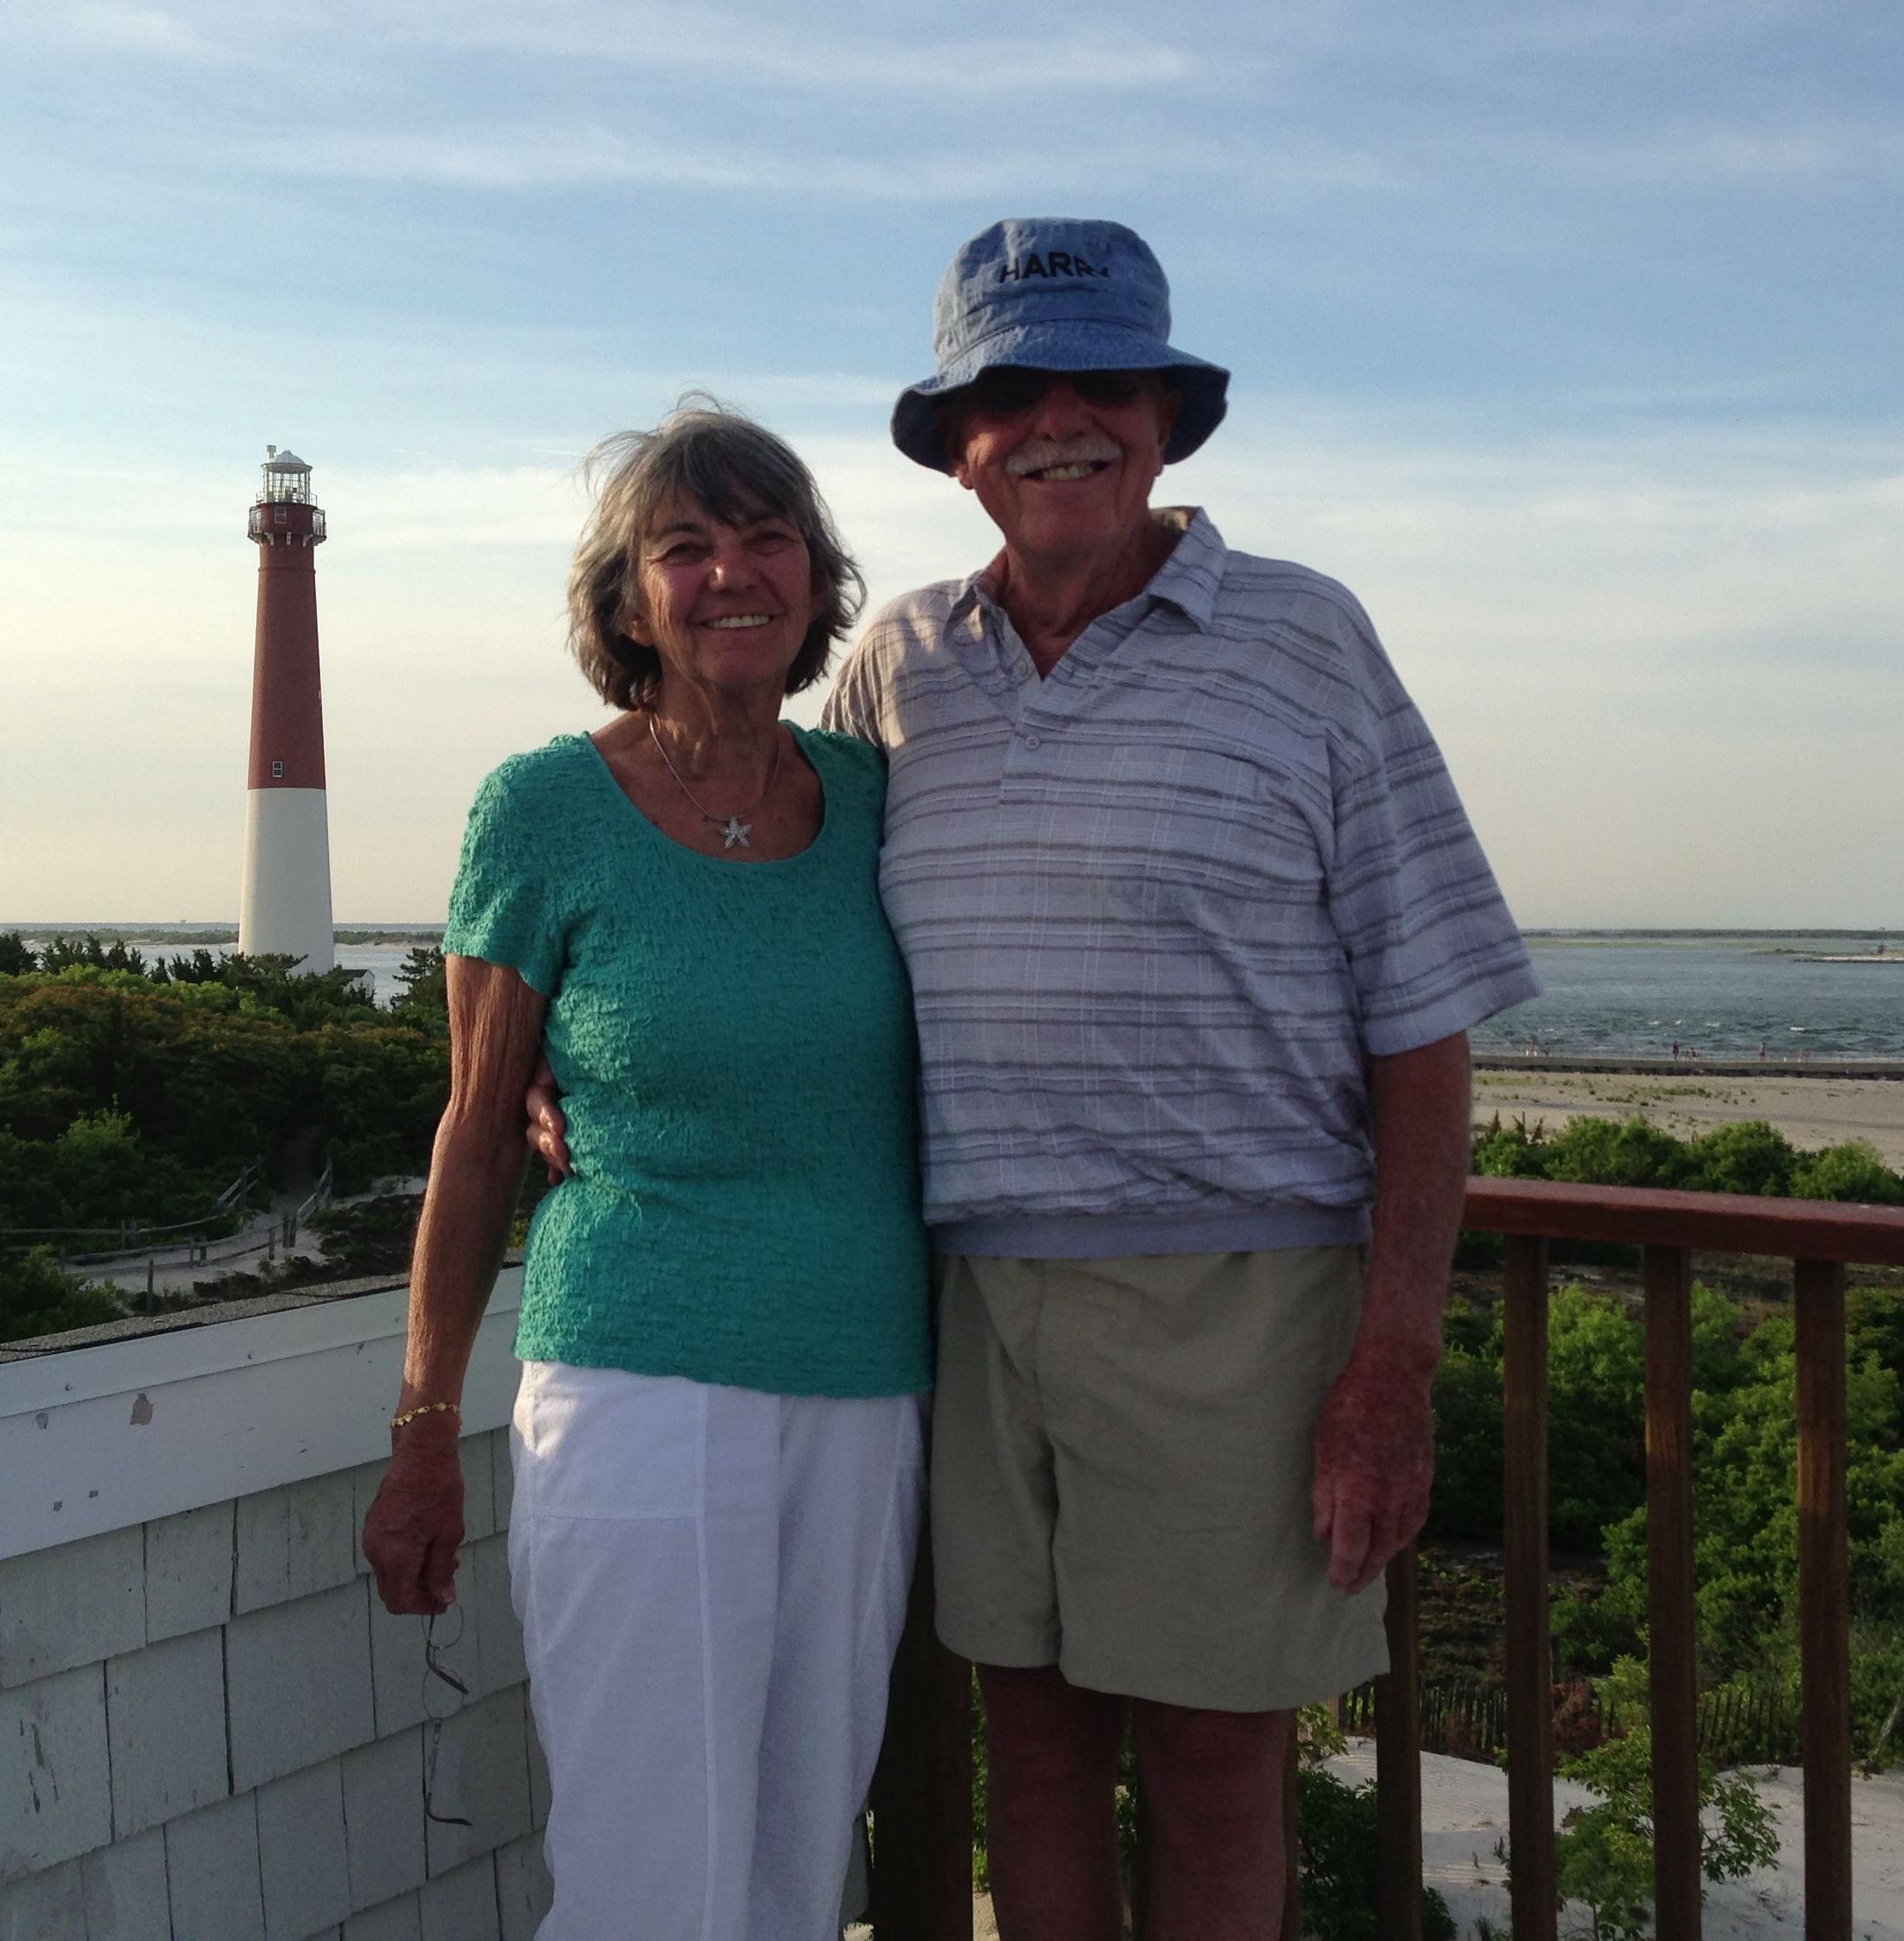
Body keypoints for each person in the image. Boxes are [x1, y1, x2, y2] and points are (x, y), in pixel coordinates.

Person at [535, 218, 1539, 1940]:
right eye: (1010, 392)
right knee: (1036, 1742)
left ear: (1164, 418)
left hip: (1237, 1288)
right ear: (957, 446)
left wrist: (1393, 1356)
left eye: (1104, 384)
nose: (1059, 418)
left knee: (1220, 1759)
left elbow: (1423, 1018)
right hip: (964, 1294)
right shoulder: (895, 662)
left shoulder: (1303, 639)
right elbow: (737, 860)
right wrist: (556, 1050)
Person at [363, 402, 932, 1941]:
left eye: (769, 542)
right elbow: (479, 1132)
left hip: (869, 1383)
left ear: (819, 582)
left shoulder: (880, 800)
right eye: (686, 548)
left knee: (803, 1854)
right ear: (627, 604)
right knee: (647, 1869)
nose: (732, 574)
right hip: (637, 1376)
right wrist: (423, 1428)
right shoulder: (544, 808)